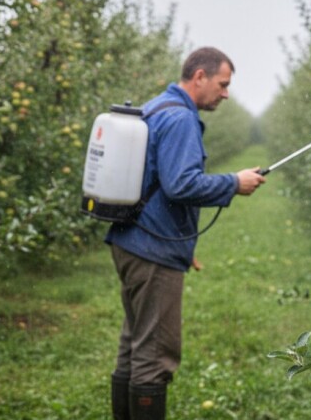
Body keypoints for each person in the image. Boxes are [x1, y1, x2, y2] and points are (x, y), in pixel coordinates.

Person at [105, 47, 265, 420]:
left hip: (132, 240)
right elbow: (180, 185)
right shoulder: (180, 119)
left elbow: (154, 179)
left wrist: (181, 243)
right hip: (152, 251)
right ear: (199, 77)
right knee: (154, 353)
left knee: (134, 343)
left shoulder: (157, 107)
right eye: (222, 84)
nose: (226, 94)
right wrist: (234, 183)